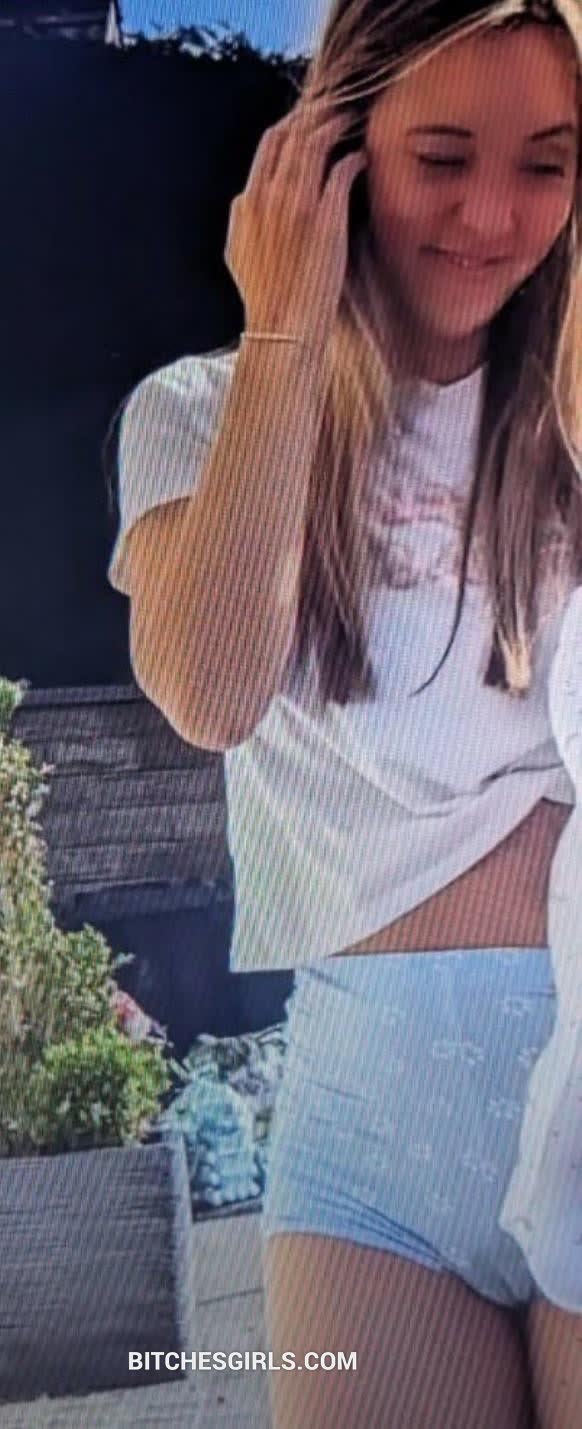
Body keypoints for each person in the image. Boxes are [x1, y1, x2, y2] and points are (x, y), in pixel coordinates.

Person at [107, 0, 582, 1423]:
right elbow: (208, 689)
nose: (492, 216)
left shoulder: (569, 423)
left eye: (548, 164)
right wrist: (282, 328)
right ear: (333, 148)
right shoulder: (201, 411)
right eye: (440, 157)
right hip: (368, 1123)